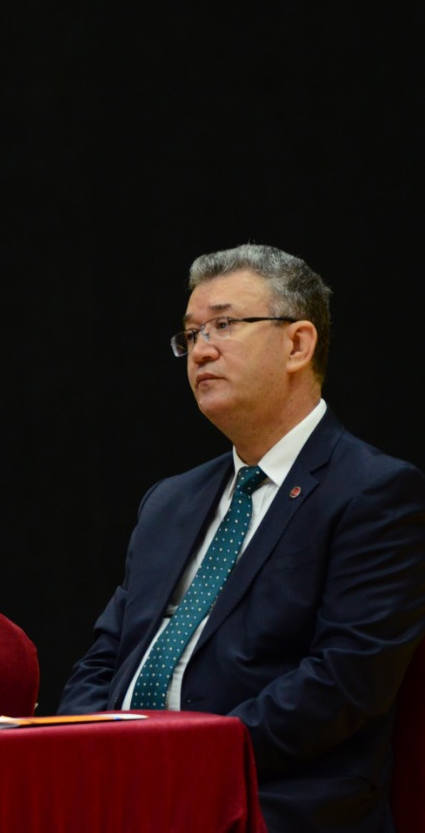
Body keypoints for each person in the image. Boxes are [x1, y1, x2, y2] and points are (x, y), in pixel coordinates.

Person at [59, 244, 425, 832]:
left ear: (298, 344)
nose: (201, 350)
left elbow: (344, 682)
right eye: (191, 334)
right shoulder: (169, 501)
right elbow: (105, 658)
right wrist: (83, 748)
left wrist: (184, 760)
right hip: (125, 789)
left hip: (267, 797)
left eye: (224, 325)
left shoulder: (374, 492)